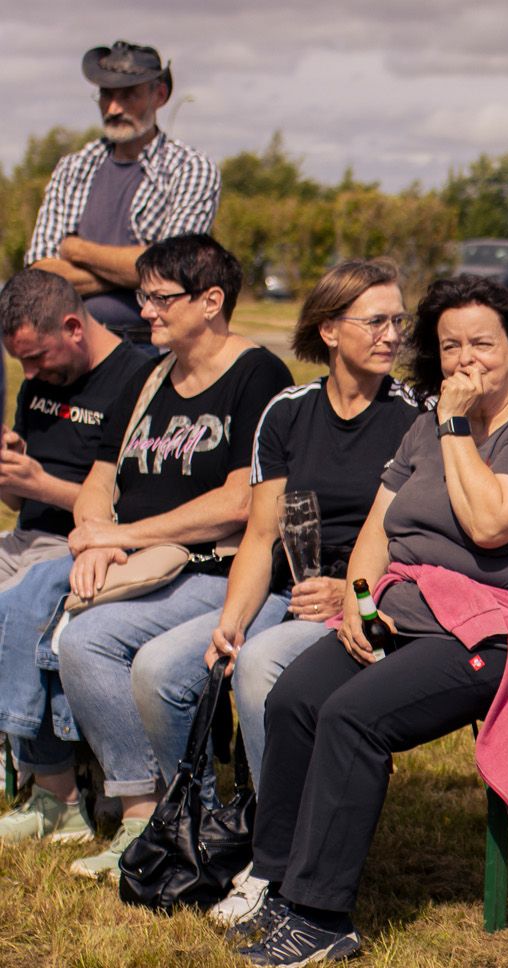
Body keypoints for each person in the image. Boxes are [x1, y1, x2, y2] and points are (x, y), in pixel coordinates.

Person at [235, 275, 508, 966]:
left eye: (482, 344)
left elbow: (491, 523)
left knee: (355, 716)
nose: (465, 360)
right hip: (407, 610)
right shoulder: (423, 425)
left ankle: (320, 918)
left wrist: (457, 425)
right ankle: (276, 883)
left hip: (502, 630)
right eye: (450, 345)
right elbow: (381, 522)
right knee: (296, 700)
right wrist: (360, 601)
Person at [104, 261, 419, 925]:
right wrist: (230, 618)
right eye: (377, 320)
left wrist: (349, 592)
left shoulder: (411, 418)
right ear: (330, 329)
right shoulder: (289, 412)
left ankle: (279, 858)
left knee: (261, 666)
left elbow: (414, 540)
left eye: (399, 320)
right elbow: (258, 535)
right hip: (287, 588)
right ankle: (219, 828)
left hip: (369, 600)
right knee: (159, 670)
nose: (393, 334)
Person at [0, 235, 291, 877]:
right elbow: (103, 472)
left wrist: (125, 538)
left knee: (91, 639)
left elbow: (242, 500)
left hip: (216, 566)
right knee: (75, 630)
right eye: (144, 297)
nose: (145, 312)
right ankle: (127, 807)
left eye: (159, 298)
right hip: (138, 556)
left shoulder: (257, 374)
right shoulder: (152, 374)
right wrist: (94, 532)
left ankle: (159, 811)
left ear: (211, 301)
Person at [0, 272, 153, 846]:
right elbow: (19, 499)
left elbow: (128, 503)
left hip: (92, 546)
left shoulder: (136, 379)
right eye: (20, 362)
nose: (31, 374)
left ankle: (54, 790)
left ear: (72, 326)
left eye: (38, 359)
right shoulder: (37, 376)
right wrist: (12, 471)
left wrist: (40, 483)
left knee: (19, 604)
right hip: (28, 535)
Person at [27, 42, 221, 348]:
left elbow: (170, 274)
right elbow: (41, 276)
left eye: (128, 94)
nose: (114, 108)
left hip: (146, 349)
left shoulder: (190, 169)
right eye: (106, 94)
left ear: (159, 95)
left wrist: (75, 250)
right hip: (70, 346)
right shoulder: (74, 167)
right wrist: (135, 270)